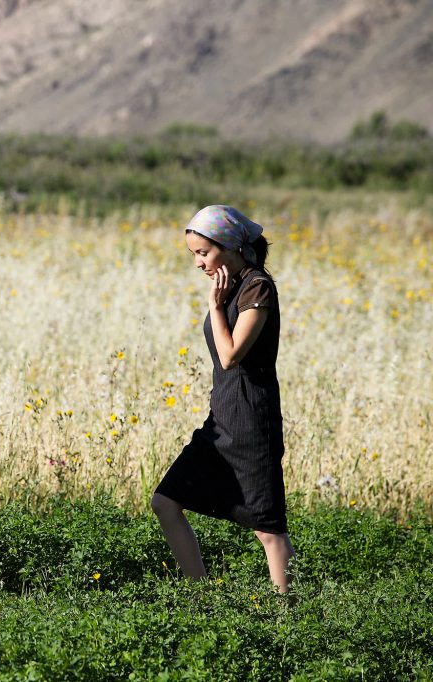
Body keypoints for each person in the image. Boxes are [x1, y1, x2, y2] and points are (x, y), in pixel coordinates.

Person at [151, 205, 296, 593]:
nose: (198, 263)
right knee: (165, 501)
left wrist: (216, 307)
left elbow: (231, 356)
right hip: (222, 419)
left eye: (203, 253)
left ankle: (292, 622)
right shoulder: (230, 285)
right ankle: (202, 600)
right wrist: (219, 301)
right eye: (193, 255)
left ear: (229, 246)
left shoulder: (257, 287)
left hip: (251, 420)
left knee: (268, 528)